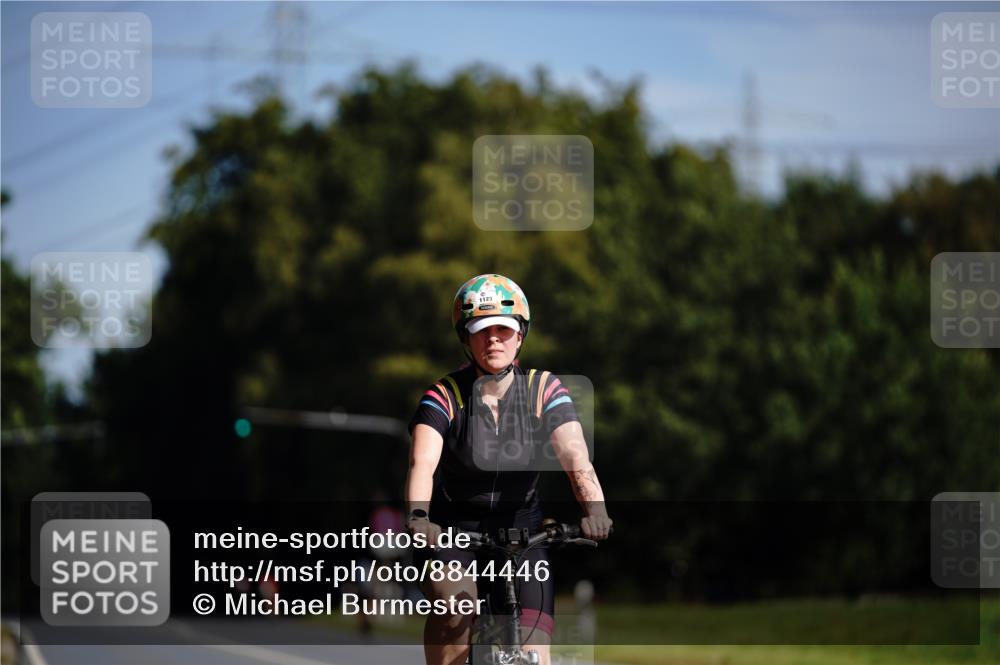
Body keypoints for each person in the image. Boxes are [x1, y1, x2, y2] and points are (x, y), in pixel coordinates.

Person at [405, 274, 613, 665]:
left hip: (524, 533)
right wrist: (418, 516)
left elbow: (575, 456)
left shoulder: (544, 391)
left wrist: (595, 510)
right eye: (482, 331)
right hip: (453, 534)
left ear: (521, 335)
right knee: (456, 611)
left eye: (504, 329)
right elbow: (423, 462)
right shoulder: (444, 395)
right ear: (466, 339)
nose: (494, 339)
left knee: (536, 653)